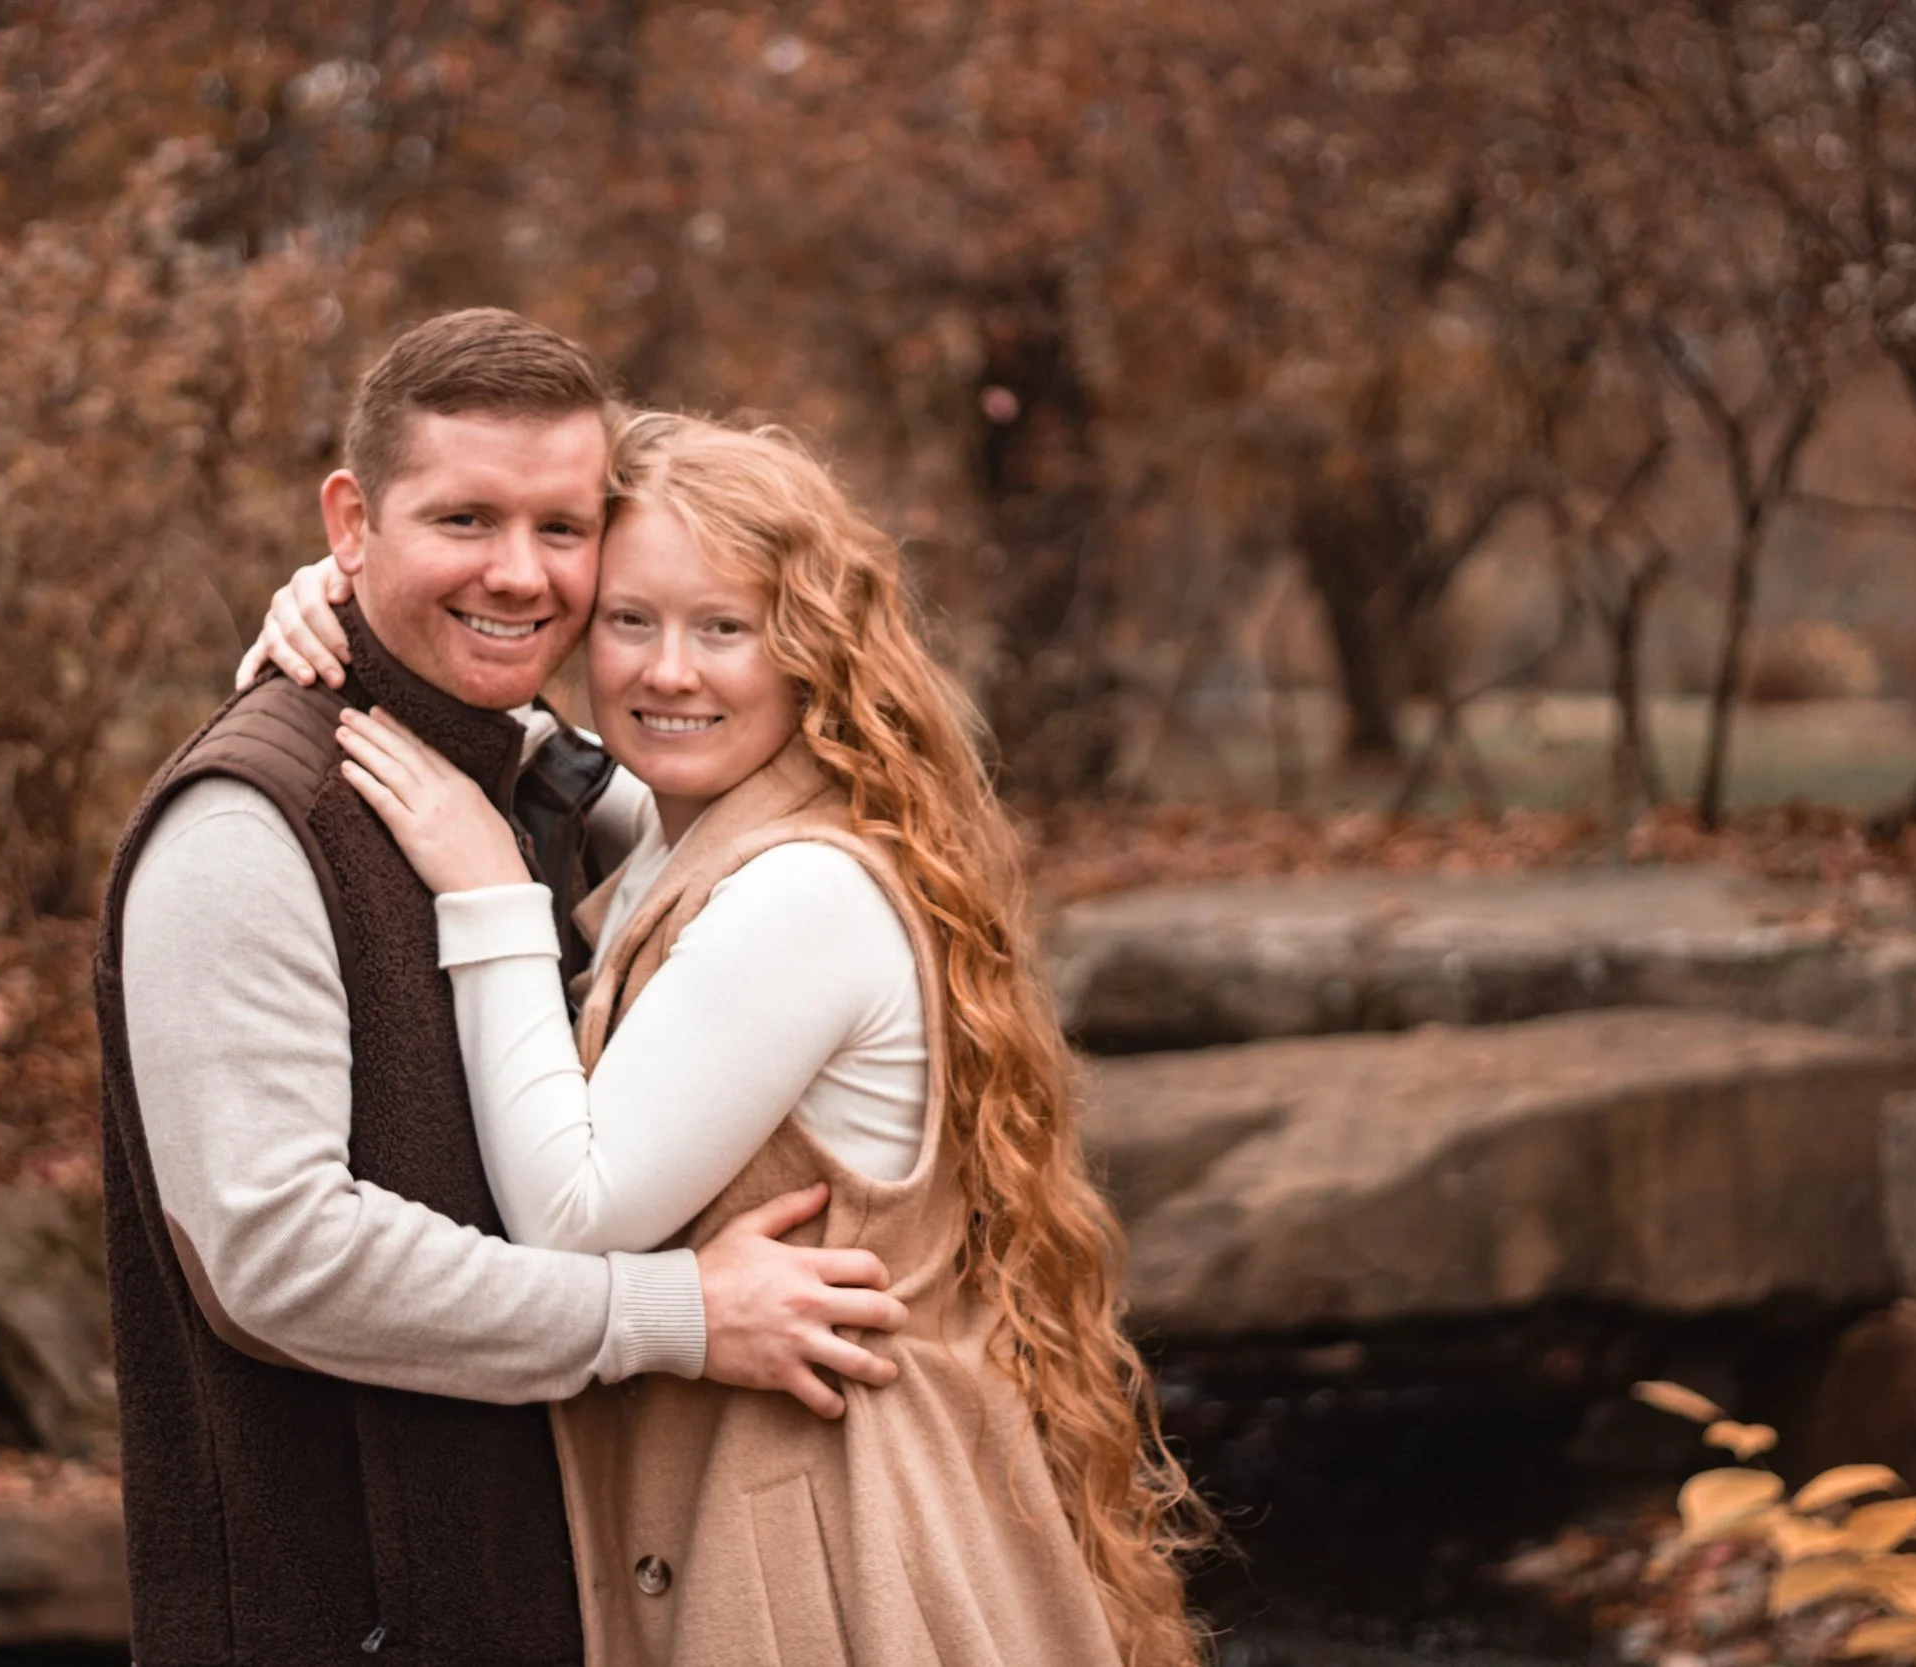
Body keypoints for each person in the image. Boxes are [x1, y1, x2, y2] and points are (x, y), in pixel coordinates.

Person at [246, 412, 1209, 1665]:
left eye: (725, 628)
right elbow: (557, 731)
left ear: (807, 648)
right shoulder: (693, 822)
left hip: (838, 1574)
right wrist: (343, 600)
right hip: (778, 1530)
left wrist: (488, 897)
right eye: (629, 621)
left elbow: (575, 1212)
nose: (669, 672)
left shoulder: (799, 894)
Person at [98, 311, 910, 1667]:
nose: (522, 574)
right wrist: (678, 1314)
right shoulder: (244, 829)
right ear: (351, 520)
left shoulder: (535, 777)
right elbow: (276, 1253)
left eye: (563, 527)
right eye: (464, 519)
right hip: (343, 1613)